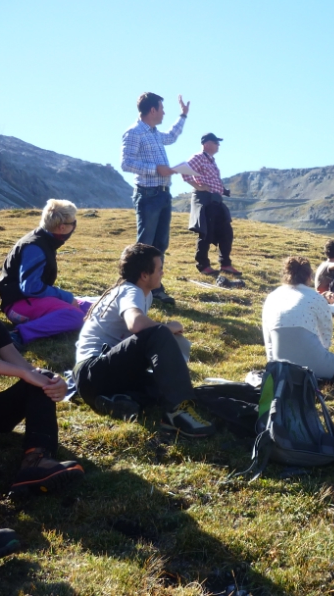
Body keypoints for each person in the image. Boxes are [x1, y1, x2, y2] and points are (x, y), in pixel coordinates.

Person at [0, 259, 83, 503]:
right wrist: (22, 373)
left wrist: (52, 381)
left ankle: (36, 460)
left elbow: (24, 368)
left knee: (40, 378)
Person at [74, 244, 215, 438]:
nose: (162, 273)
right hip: (93, 371)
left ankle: (116, 401)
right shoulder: (131, 291)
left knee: (164, 385)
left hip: (96, 382)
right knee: (159, 333)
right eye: (159, 269)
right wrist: (168, 328)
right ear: (144, 275)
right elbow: (136, 324)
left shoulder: (141, 293)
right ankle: (177, 413)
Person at [262, 257, 334, 389]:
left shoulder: (272, 296)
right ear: (309, 276)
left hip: (279, 367)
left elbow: (268, 339)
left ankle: (317, 379)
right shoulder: (315, 297)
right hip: (313, 362)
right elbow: (325, 338)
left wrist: (273, 367)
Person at [121, 92, 190, 306]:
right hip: (148, 194)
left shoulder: (155, 133)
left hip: (163, 194)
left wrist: (183, 115)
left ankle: (155, 287)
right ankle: (134, 287)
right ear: (153, 110)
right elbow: (126, 163)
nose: (164, 113)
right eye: (162, 108)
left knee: (160, 243)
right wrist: (155, 169)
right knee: (145, 244)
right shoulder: (134, 132)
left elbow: (172, 136)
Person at [0, 199, 89, 347]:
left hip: (31, 300)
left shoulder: (44, 240)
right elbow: (31, 288)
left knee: (89, 306)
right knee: (76, 316)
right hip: (17, 305)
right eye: (73, 223)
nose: (74, 226)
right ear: (62, 227)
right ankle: (19, 334)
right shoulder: (35, 248)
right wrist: (66, 297)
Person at [184, 133, 241, 277]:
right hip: (205, 200)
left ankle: (225, 264)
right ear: (206, 144)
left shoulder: (211, 161)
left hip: (216, 200)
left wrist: (222, 190)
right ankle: (203, 265)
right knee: (206, 233)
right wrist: (198, 186)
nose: (218, 145)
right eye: (215, 143)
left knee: (226, 232)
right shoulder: (198, 157)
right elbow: (184, 170)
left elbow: (211, 180)